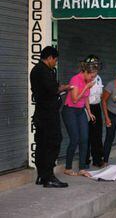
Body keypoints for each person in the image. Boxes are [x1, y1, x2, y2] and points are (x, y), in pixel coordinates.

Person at [30, 46, 71, 188]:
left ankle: (41, 176)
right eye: (55, 60)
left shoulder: (35, 70)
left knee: (41, 144)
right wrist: (65, 88)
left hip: (41, 113)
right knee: (53, 142)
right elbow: (53, 89)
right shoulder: (45, 71)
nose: (55, 62)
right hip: (48, 115)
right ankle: (49, 177)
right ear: (49, 58)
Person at [62, 57, 98, 177]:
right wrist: (86, 87)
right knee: (75, 139)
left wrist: (89, 111)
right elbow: (75, 98)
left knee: (84, 138)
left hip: (80, 111)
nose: (92, 79)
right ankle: (68, 168)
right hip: (70, 110)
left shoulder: (87, 81)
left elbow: (86, 97)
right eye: (92, 76)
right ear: (85, 72)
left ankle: (82, 168)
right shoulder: (75, 79)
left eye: (94, 77)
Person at [85, 55, 105, 168]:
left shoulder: (98, 78)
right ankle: (85, 160)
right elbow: (85, 95)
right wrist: (88, 111)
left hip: (96, 107)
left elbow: (100, 94)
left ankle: (97, 159)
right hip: (87, 107)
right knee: (86, 135)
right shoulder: (85, 78)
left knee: (97, 134)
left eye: (97, 65)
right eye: (94, 65)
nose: (96, 67)